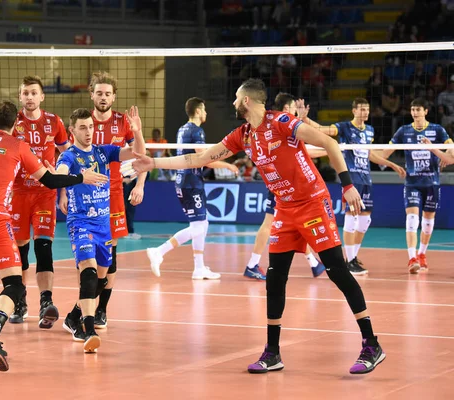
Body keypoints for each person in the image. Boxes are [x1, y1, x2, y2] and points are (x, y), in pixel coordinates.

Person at [132, 78, 385, 375]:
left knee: (338, 272)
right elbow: (199, 158)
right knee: (275, 279)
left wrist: (347, 186)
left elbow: (329, 142)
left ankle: (371, 344)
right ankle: (272, 352)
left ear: (248, 101)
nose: (233, 103)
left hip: (313, 203)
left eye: (237, 98)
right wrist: (155, 164)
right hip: (285, 209)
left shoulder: (281, 122)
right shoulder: (243, 134)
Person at [0, 91, 107, 371]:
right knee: (13, 284)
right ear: (15, 123)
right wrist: (80, 177)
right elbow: (49, 180)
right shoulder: (18, 145)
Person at [60, 71, 146, 329]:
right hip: (82, 206)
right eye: (99, 92)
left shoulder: (118, 128)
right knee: (88, 266)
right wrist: (67, 185)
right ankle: (85, 317)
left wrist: (140, 183)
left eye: (108, 93)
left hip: (112, 196)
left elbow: (139, 154)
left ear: (114, 96)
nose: (104, 97)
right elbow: (61, 169)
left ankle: (97, 310)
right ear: (92, 94)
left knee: (107, 265)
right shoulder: (81, 124)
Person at [296, 97, 406, 275]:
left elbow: (370, 154)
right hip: (351, 178)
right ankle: (349, 261)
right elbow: (324, 130)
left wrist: (391, 164)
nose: (365, 113)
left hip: (366, 179)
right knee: (352, 217)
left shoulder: (369, 130)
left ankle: (353, 258)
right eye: (361, 109)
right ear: (354, 110)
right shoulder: (345, 127)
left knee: (365, 220)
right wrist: (305, 119)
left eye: (367, 109)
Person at [146, 97, 238, 280]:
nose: (206, 113)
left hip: (186, 180)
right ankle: (159, 251)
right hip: (190, 182)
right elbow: (204, 158)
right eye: (204, 110)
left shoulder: (182, 129)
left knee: (202, 224)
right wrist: (228, 165)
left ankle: (199, 268)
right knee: (198, 227)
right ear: (197, 111)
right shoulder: (196, 131)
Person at [244, 93, 327, 281]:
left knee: (297, 226)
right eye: (291, 108)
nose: (294, 111)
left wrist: (303, 119)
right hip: (280, 184)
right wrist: (328, 148)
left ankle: (313, 263)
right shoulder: (278, 127)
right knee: (269, 224)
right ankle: (252, 264)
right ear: (286, 109)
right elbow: (306, 151)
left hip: (289, 185)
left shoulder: (284, 125)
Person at [8, 76, 70, 328]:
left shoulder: (54, 122)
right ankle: (20, 301)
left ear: (42, 96)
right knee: (21, 251)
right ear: (20, 97)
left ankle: (46, 302)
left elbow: (68, 154)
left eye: (34, 93)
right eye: (25, 93)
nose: (30, 97)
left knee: (44, 248)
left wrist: (64, 190)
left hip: (46, 192)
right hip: (18, 194)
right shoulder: (13, 123)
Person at [383, 98, 454, 273]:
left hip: (432, 183)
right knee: (412, 220)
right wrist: (368, 153)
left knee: (428, 222)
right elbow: (385, 151)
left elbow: (451, 150)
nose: (415, 113)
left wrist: (439, 152)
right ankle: (412, 258)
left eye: (418, 109)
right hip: (412, 182)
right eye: (412, 109)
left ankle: (422, 254)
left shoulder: (437, 130)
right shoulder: (404, 131)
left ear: (426, 111)